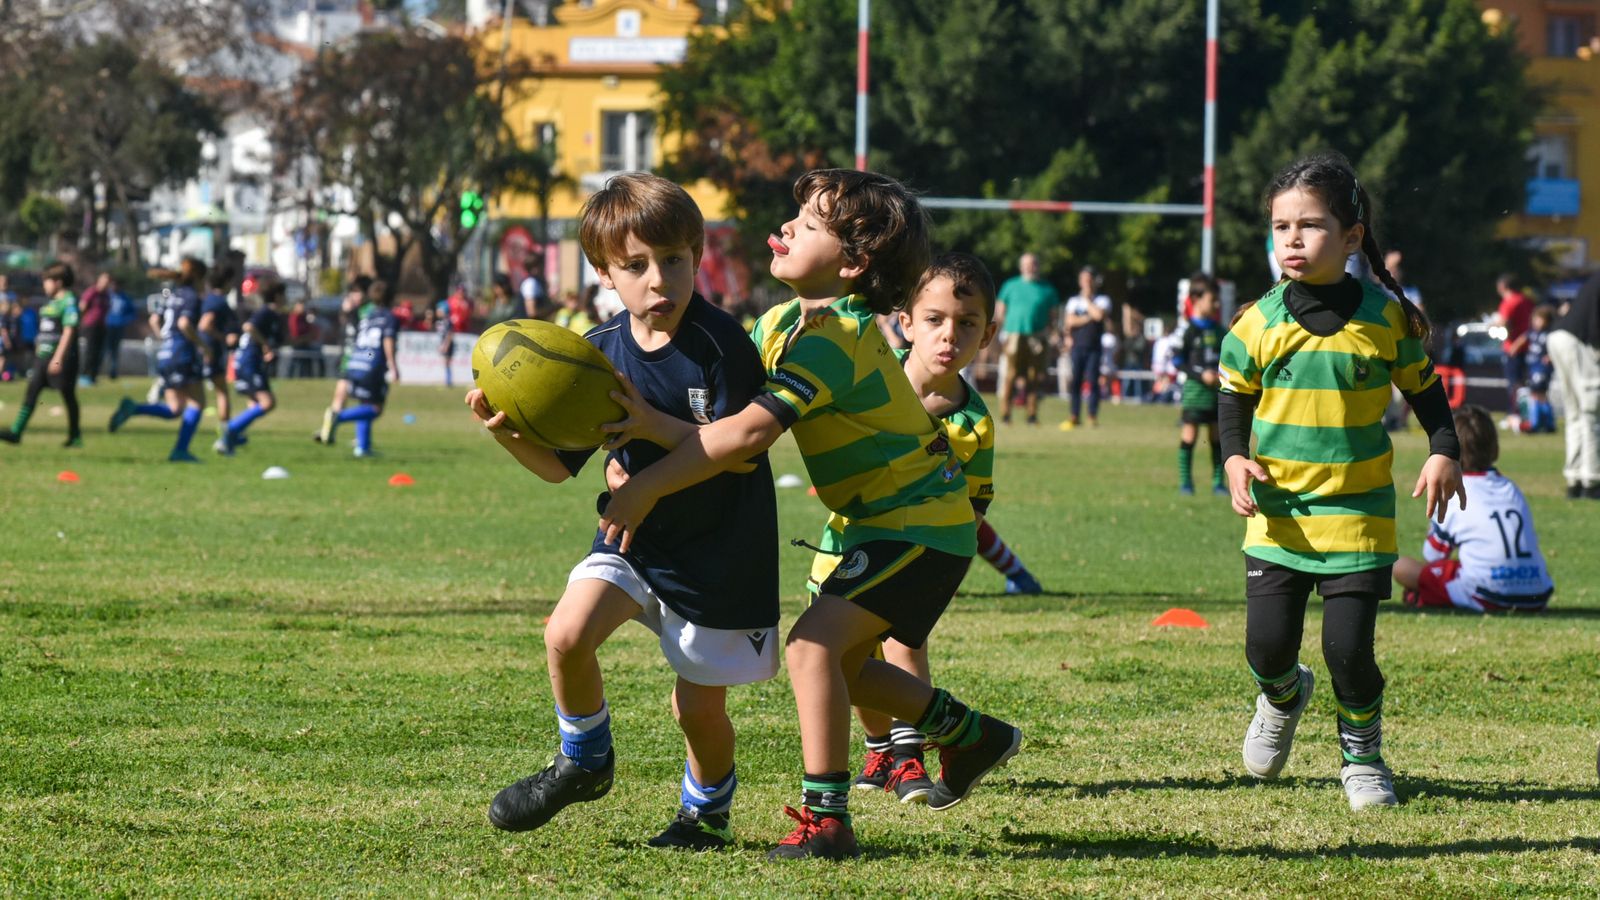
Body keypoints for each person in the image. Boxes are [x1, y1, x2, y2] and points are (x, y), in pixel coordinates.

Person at [598, 169, 1022, 860]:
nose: (789, 226)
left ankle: (827, 823)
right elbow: (729, 435)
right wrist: (644, 434)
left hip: (921, 523)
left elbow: (744, 439)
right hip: (883, 524)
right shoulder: (777, 324)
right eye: (795, 214)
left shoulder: (834, 337)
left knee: (810, 647)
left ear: (852, 263)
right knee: (842, 669)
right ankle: (971, 734)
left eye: (811, 222)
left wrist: (647, 485)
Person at [470, 173, 779, 851]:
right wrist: (507, 431)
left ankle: (706, 815)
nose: (657, 280)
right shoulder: (597, 354)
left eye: (673, 260)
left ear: (698, 255)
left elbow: (739, 454)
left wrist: (647, 429)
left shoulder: (722, 346)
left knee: (695, 708)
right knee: (565, 634)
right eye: (636, 266)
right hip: (633, 540)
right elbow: (558, 467)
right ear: (606, 273)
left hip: (719, 553)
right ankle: (584, 758)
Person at [1218, 153, 1464, 812]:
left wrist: (1445, 450)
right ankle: (1282, 694)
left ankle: (1362, 758)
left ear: (1353, 237)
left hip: (1359, 515)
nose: (1291, 240)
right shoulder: (1254, 324)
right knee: (1267, 648)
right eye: (1280, 227)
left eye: (1310, 225)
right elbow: (1232, 400)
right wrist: (1235, 457)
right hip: (1277, 516)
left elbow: (1429, 397)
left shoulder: (1387, 320)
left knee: (1349, 650)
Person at [804, 252, 1037, 805]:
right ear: (904, 321)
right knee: (845, 660)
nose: (948, 336)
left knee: (901, 644)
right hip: (842, 545)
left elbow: (974, 506)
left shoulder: (973, 423)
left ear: (989, 333)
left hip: (915, 551)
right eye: (933, 319)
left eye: (967, 324)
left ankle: (908, 756)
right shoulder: (871, 380)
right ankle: (882, 746)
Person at [1393, 406, 1552, 612]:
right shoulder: (1510, 487)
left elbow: (1433, 556)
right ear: (1495, 448)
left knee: (1401, 568)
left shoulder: (1455, 490)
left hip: (1489, 594)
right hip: (1537, 592)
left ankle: (1426, 597)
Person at [109, 257, 211, 462]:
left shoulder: (172, 296)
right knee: (198, 403)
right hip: (183, 354)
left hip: (166, 353)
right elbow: (184, 324)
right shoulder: (192, 296)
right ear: (199, 277)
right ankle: (180, 451)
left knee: (175, 409)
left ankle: (134, 408)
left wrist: (165, 340)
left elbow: (154, 319)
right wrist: (203, 346)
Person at [0, 261, 82, 446]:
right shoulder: (52, 302)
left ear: (58, 282)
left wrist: (58, 358)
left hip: (61, 358)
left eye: (47, 281)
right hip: (42, 357)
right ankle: (16, 431)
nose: (44, 285)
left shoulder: (68, 300)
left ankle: (75, 436)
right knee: (32, 392)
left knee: (67, 395)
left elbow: (69, 330)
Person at [316, 280, 398, 457]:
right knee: (375, 408)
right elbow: (387, 341)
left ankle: (363, 447)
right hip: (372, 365)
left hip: (357, 360)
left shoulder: (367, 315)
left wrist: (365, 358)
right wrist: (392, 364)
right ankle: (338, 417)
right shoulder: (389, 317)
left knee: (365, 402)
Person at [1548, 269, 1600, 499]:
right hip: (1577, 341)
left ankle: (1575, 478)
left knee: (1575, 414)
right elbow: (1595, 322)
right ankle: (1592, 480)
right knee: (1591, 413)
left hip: (1559, 336)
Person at [994, 252, 1060, 425]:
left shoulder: (1047, 289)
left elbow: (1054, 316)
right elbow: (1000, 311)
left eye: (1034, 264)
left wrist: (1052, 334)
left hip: (1037, 336)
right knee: (1011, 374)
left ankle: (1031, 414)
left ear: (1038, 266)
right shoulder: (1010, 285)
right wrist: (1001, 334)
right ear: (1021, 267)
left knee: (1035, 375)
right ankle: (1005, 414)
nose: (1031, 267)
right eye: (1027, 264)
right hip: (1014, 334)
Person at [1175, 273, 1225, 496]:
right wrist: (1199, 374)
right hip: (1195, 393)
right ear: (1195, 299)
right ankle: (1186, 483)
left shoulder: (1221, 331)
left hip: (1217, 394)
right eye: (1212, 299)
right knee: (1189, 436)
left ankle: (1218, 483)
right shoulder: (1186, 331)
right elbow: (1178, 362)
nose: (1217, 304)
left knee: (1217, 438)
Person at [223, 281, 285, 451]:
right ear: (278, 296)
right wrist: (265, 346)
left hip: (246, 361)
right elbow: (249, 327)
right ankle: (231, 429)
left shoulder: (273, 315)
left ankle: (232, 439)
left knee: (255, 404)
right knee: (267, 402)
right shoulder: (267, 312)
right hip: (249, 361)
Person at [313, 276, 373, 442]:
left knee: (365, 400)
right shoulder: (351, 310)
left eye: (357, 292)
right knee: (340, 396)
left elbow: (368, 340)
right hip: (350, 358)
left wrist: (372, 359)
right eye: (352, 292)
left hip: (365, 358)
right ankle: (329, 430)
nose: (353, 296)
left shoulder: (368, 311)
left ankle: (360, 438)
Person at [1061, 266, 1113, 430]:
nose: (1086, 283)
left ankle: (1092, 415)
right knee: (1075, 381)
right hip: (1077, 347)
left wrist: (1088, 302)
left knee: (1093, 381)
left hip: (1094, 347)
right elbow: (1069, 322)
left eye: (1089, 279)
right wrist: (1088, 317)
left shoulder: (1102, 300)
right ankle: (1074, 415)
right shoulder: (1073, 301)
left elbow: (1099, 316)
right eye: (1084, 279)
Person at [199, 265, 240, 454]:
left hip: (207, 352)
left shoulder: (210, 299)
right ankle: (225, 437)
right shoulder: (217, 302)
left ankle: (227, 435)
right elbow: (205, 324)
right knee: (221, 393)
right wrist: (223, 338)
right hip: (211, 353)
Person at [1494, 273, 1534, 414]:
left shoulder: (1509, 301)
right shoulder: (1526, 300)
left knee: (1514, 384)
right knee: (1524, 383)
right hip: (1527, 347)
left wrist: (1493, 325)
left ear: (1503, 286)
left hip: (1512, 348)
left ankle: (1514, 413)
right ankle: (1526, 413)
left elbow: (1503, 322)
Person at [1519, 306, 1557, 433]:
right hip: (1533, 367)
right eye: (1535, 320)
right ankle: (1547, 424)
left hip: (1542, 369)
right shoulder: (1533, 333)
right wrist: (1513, 348)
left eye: (1539, 320)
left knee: (1537, 394)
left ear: (1546, 321)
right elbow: (1523, 338)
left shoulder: (1549, 334)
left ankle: (1536, 424)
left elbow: (1556, 349)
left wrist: (1551, 356)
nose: (1536, 322)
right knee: (1539, 395)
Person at [76, 271, 109, 386]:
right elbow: (82, 306)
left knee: (98, 353)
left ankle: (93, 376)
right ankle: (84, 376)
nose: (106, 283)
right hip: (90, 326)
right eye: (104, 280)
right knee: (90, 351)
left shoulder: (106, 295)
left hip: (101, 326)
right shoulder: (92, 292)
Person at [103, 273, 138, 381]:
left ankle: (113, 372)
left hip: (118, 328)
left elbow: (133, 313)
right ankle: (96, 371)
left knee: (115, 350)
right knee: (103, 349)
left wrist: (124, 321)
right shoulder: (106, 296)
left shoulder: (125, 298)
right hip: (106, 327)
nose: (114, 287)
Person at [434, 294, 455, 388]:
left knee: (447, 362)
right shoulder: (440, 321)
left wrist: (445, 345)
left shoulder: (447, 321)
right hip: (444, 344)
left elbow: (450, 334)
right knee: (445, 363)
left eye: (439, 309)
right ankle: (447, 380)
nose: (437, 311)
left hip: (448, 345)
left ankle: (448, 381)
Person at [519, 253, 548, 318]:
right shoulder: (531, 283)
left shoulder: (535, 282)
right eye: (542, 264)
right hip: (527, 326)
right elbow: (532, 313)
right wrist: (556, 307)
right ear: (535, 268)